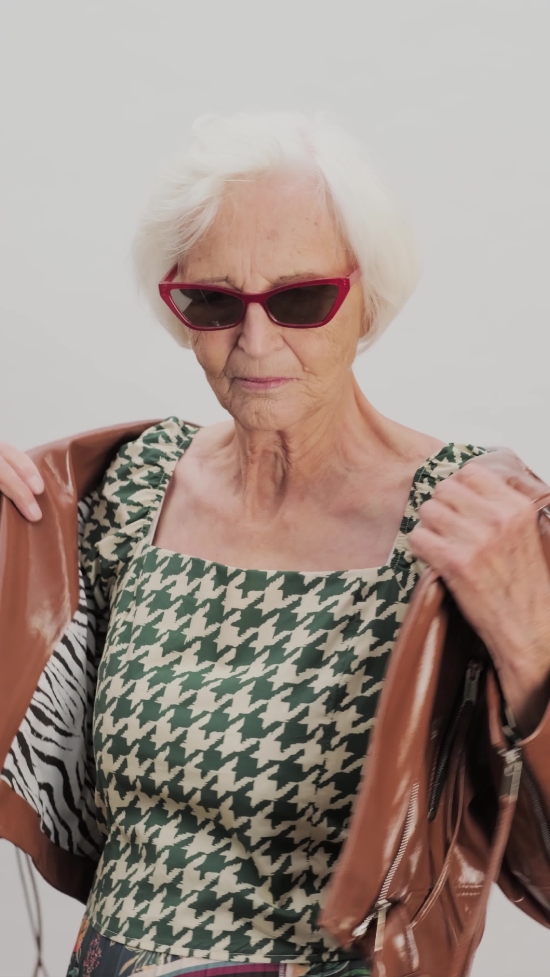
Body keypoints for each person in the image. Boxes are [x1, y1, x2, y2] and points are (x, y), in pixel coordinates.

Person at [1, 111, 549, 977]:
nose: (255, 343)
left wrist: (536, 652)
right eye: (214, 302)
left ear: (367, 295)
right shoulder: (126, 488)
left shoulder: (472, 521)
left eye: (300, 299)